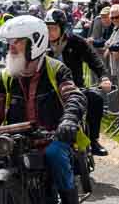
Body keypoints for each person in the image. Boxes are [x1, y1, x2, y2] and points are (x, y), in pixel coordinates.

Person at [0, 15, 89, 204]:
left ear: (36, 43)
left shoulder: (56, 69)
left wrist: (69, 120)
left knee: (55, 156)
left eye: (18, 42)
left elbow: (74, 97)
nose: (12, 48)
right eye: (9, 44)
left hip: (53, 136)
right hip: (16, 140)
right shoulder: (5, 77)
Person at [45, 9, 112, 157]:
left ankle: (93, 140)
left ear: (62, 28)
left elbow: (94, 59)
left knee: (95, 98)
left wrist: (104, 77)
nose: (50, 32)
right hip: (48, 91)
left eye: (54, 28)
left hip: (75, 89)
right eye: (47, 28)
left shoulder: (76, 42)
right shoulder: (40, 44)